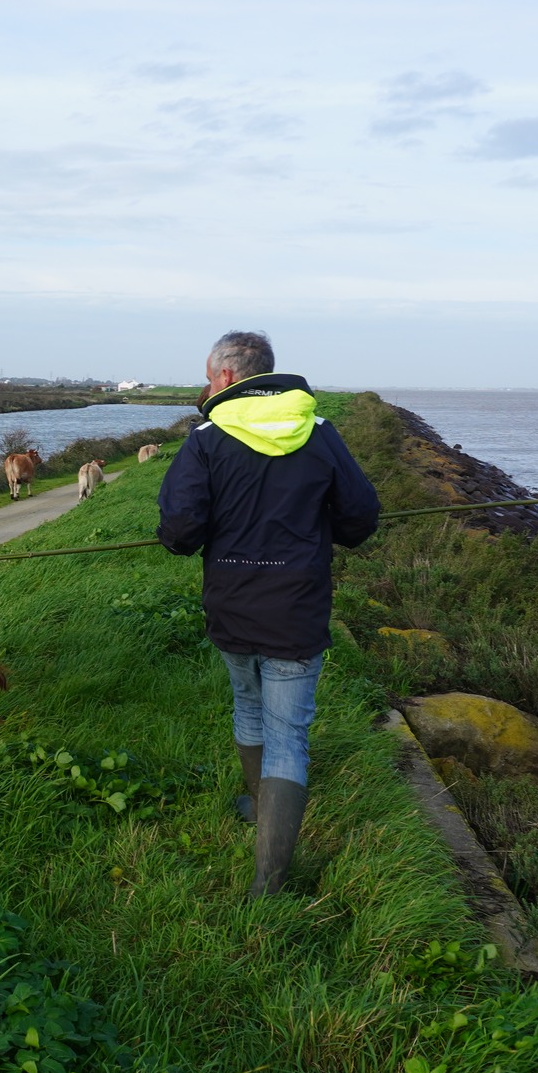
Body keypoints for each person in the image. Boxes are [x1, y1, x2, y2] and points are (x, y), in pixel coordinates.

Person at [157, 332, 380, 896]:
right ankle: (268, 878)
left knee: (248, 703)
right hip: (297, 609)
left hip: (232, 604)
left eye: (209, 376)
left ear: (227, 377)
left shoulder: (206, 439)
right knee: (289, 734)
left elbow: (180, 533)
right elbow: (359, 520)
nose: (208, 385)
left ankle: (262, 815)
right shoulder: (320, 431)